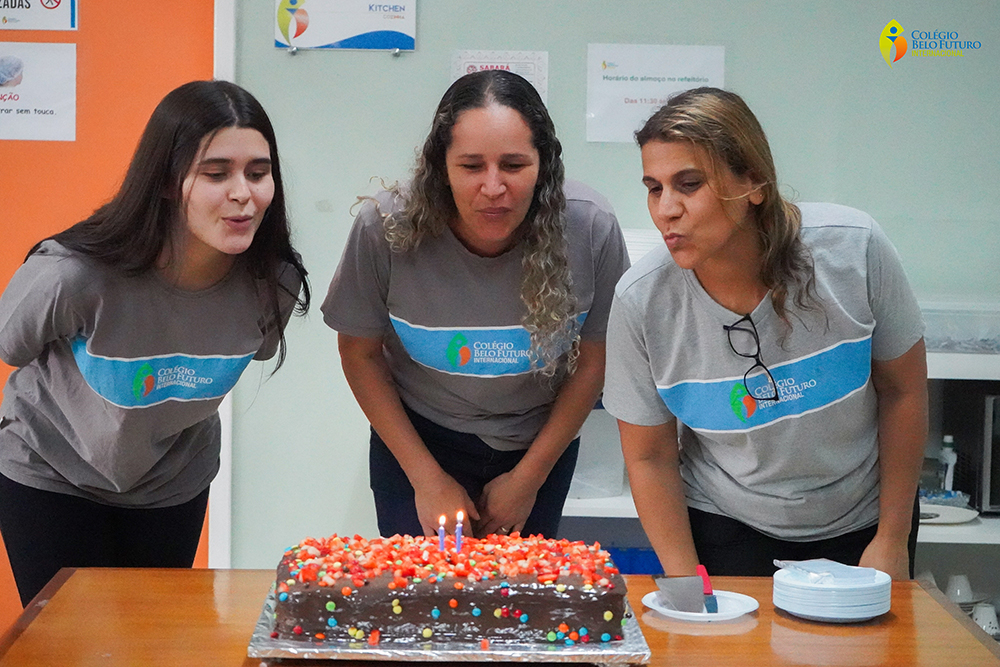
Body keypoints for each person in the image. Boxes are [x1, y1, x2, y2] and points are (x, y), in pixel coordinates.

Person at [0, 80, 310, 606]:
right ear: (166, 180)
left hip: (172, 484)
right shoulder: (72, 274)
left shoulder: (273, 282)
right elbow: (12, 346)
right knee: (66, 641)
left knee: (149, 638)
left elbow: (260, 347)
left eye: (258, 173)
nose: (243, 193)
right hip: (50, 473)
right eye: (217, 174)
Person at [603, 87, 927, 580]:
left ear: (754, 182)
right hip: (727, 523)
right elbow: (649, 457)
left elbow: (904, 391)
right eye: (654, 188)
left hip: (866, 520)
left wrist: (892, 539)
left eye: (688, 184)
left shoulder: (853, 250)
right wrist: (688, 582)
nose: (666, 209)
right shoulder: (641, 301)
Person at [323, 70, 629, 541]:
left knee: (524, 585)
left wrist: (529, 479)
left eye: (514, 165)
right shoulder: (383, 228)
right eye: (470, 166)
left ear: (544, 165)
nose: (493, 187)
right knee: (419, 584)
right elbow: (359, 354)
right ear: (440, 167)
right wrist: (427, 480)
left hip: (538, 446)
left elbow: (595, 362)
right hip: (418, 439)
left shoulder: (591, 229)